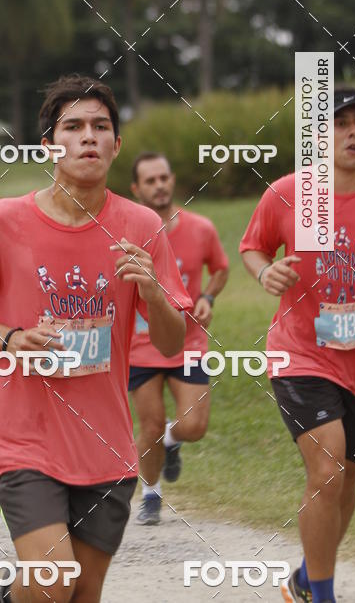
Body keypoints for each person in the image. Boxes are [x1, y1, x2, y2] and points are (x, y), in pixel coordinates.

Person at [0, 75, 193, 603]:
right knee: (56, 581)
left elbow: (172, 343)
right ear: (49, 146)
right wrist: (8, 336)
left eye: (101, 127)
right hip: (25, 439)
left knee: (84, 593)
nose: (88, 138)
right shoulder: (5, 221)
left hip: (106, 446)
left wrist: (153, 293)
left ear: (116, 145)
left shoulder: (142, 225)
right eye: (73, 127)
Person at [239, 88, 355, 603]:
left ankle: (305, 578)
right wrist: (266, 272)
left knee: (345, 485)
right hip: (300, 353)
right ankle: (320, 595)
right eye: (339, 123)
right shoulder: (289, 192)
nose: (353, 131)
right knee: (326, 472)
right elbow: (252, 247)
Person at [128, 152, 229, 525]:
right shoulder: (126, 235)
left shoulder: (201, 228)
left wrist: (207, 297)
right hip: (140, 347)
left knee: (194, 426)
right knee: (149, 424)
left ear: (172, 181)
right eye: (150, 181)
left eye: (163, 178)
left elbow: (220, 269)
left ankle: (171, 442)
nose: (159, 186)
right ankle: (151, 495)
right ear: (137, 189)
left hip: (188, 343)